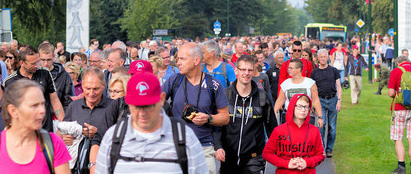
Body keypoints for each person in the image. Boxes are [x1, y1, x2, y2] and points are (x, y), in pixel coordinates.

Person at [95, 72, 208, 174]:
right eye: (136, 106)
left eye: (148, 106)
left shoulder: (185, 137)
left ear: (162, 99)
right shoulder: (112, 137)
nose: (142, 113)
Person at [0, 80, 71, 173]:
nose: (42, 110)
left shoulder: (53, 144)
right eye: (34, 105)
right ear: (13, 111)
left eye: (42, 104)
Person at [162, 43, 229, 174]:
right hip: (176, 147)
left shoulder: (213, 84)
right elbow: (154, 103)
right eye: (177, 59)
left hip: (203, 149)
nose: (178, 62)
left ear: (196, 60)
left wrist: (208, 118)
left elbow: (225, 117)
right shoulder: (174, 80)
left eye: (182, 59)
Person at [214, 55, 277, 174]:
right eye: (243, 69)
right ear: (236, 71)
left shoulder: (263, 97)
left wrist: (276, 153)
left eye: (249, 70)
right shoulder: (224, 96)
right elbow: (216, 125)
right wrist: (218, 146)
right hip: (228, 156)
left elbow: (272, 127)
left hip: (254, 158)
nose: (246, 73)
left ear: (254, 72)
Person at [60, 67, 112, 171]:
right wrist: (64, 138)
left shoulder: (112, 107)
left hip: (103, 165)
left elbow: (120, 137)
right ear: (82, 86)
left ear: (103, 86)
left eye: (96, 89)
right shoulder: (74, 106)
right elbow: (60, 132)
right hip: (76, 166)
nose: (91, 93)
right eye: (88, 88)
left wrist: (98, 133)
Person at [3, 46, 65, 132]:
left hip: (46, 130)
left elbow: (54, 100)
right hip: (23, 132)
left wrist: (63, 125)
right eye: (33, 64)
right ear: (22, 63)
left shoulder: (44, 73)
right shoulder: (10, 81)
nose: (37, 66)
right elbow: (8, 111)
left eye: (38, 62)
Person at [263, 94, 325, 174]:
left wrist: (307, 162)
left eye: (306, 107)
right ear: (293, 107)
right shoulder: (279, 130)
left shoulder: (315, 131)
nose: (303, 110)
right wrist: (286, 163)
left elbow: (321, 155)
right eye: (299, 106)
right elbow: (267, 153)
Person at [274, 59, 323, 128]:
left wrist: (320, 117)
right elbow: (280, 100)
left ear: (299, 69)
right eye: (288, 68)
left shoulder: (310, 83)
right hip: (289, 117)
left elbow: (316, 100)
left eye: (291, 68)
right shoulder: (285, 83)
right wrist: (275, 112)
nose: (288, 70)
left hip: (306, 117)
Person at [310, 49, 341, 158]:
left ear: (328, 57)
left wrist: (339, 100)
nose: (323, 59)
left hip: (333, 99)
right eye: (321, 57)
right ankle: (321, 148)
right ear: (317, 58)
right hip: (320, 101)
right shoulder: (314, 73)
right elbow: (312, 89)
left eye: (324, 57)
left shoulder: (334, 70)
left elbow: (338, 86)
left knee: (332, 127)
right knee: (321, 125)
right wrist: (313, 103)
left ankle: (329, 149)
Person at [39, 43, 74, 110]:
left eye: (49, 60)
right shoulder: (34, 74)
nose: (46, 63)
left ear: (54, 56)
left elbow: (68, 101)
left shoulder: (64, 75)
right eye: (43, 60)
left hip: (58, 115)